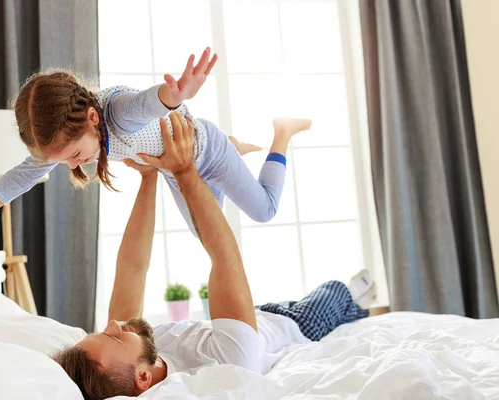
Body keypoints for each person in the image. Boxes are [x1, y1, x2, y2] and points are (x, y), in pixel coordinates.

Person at [52, 112, 377, 399]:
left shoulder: (133, 344)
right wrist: (184, 171)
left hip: (247, 319)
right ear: (142, 378)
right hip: (294, 324)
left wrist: (149, 177)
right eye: (116, 337)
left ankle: (231, 150)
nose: (112, 323)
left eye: (103, 330)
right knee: (337, 292)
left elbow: (132, 269)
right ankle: (282, 135)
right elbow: (225, 257)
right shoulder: (228, 363)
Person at [0, 47, 311, 246]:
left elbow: (145, 103)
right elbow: (15, 181)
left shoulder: (115, 110)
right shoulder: (79, 135)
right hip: (177, 169)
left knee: (263, 211)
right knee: (210, 237)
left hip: (203, 151)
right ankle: (234, 144)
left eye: (72, 155)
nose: (73, 165)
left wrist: (173, 95)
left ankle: (281, 134)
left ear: (90, 118)